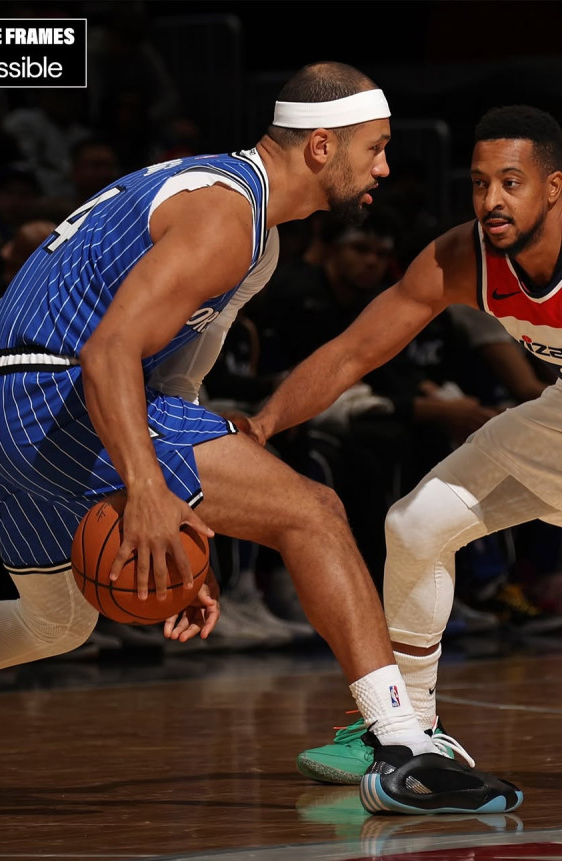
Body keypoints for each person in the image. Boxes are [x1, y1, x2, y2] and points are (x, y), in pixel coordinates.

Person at [0, 62, 521, 817]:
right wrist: (145, 490)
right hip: (45, 389)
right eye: (376, 147)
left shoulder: (255, 238)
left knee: (54, 622)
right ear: (322, 146)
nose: (385, 168)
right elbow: (108, 353)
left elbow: (174, 384)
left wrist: (184, 516)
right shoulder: (226, 213)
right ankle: (401, 746)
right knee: (314, 511)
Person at [231, 103, 562, 785]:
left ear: (554, 188)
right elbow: (354, 350)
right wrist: (264, 424)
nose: (491, 201)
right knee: (416, 525)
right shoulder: (462, 257)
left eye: (511, 183)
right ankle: (410, 729)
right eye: (479, 184)